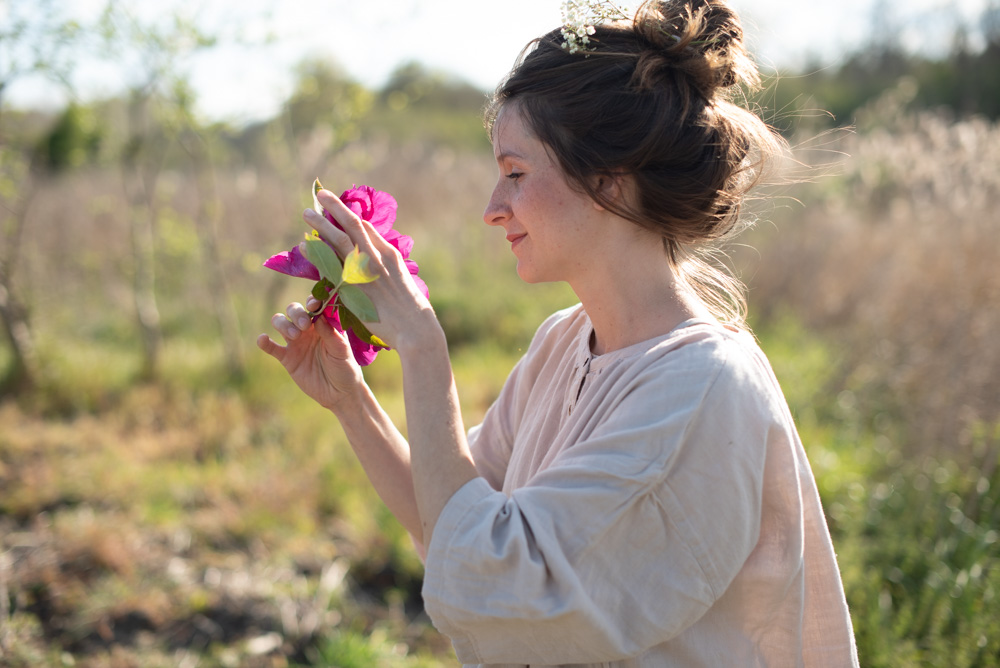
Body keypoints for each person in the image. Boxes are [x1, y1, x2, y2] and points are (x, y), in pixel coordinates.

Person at [257, 0, 860, 665]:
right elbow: (452, 524)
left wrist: (423, 348)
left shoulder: (701, 387)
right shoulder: (564, 343)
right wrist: (352, 402)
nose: (493, 209)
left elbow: (503, 587)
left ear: (609, 182)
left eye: (515, 174)